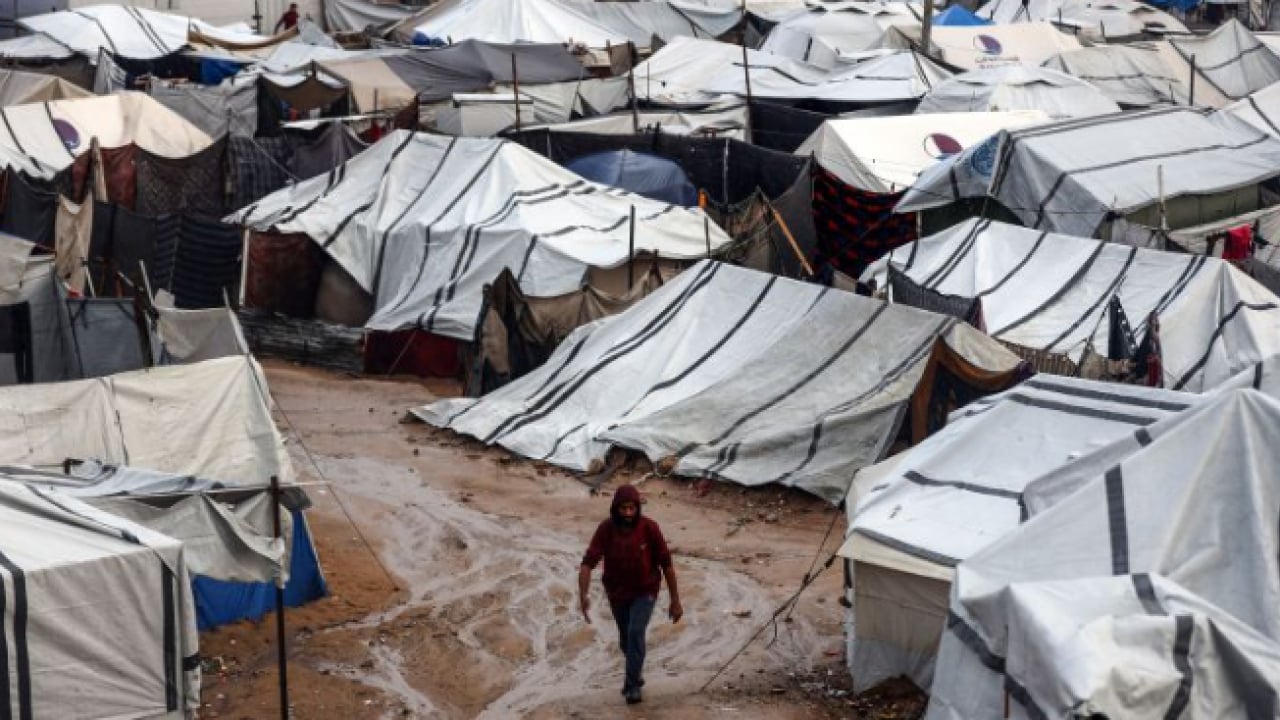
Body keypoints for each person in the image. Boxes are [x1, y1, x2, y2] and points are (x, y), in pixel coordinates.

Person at [579, 484, 682, 705]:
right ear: (615, 508)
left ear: (637, 508)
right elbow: (588, 563)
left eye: (632, 508)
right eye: (623, 508)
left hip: (645, 590)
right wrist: (583, 595)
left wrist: (675, 601)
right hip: (617, 593)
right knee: (626, 641)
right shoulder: (606, 530)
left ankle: (632, 686)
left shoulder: (650, 529)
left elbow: (667, 565)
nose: (627, 513)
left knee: (636, 631)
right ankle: (635, 671)